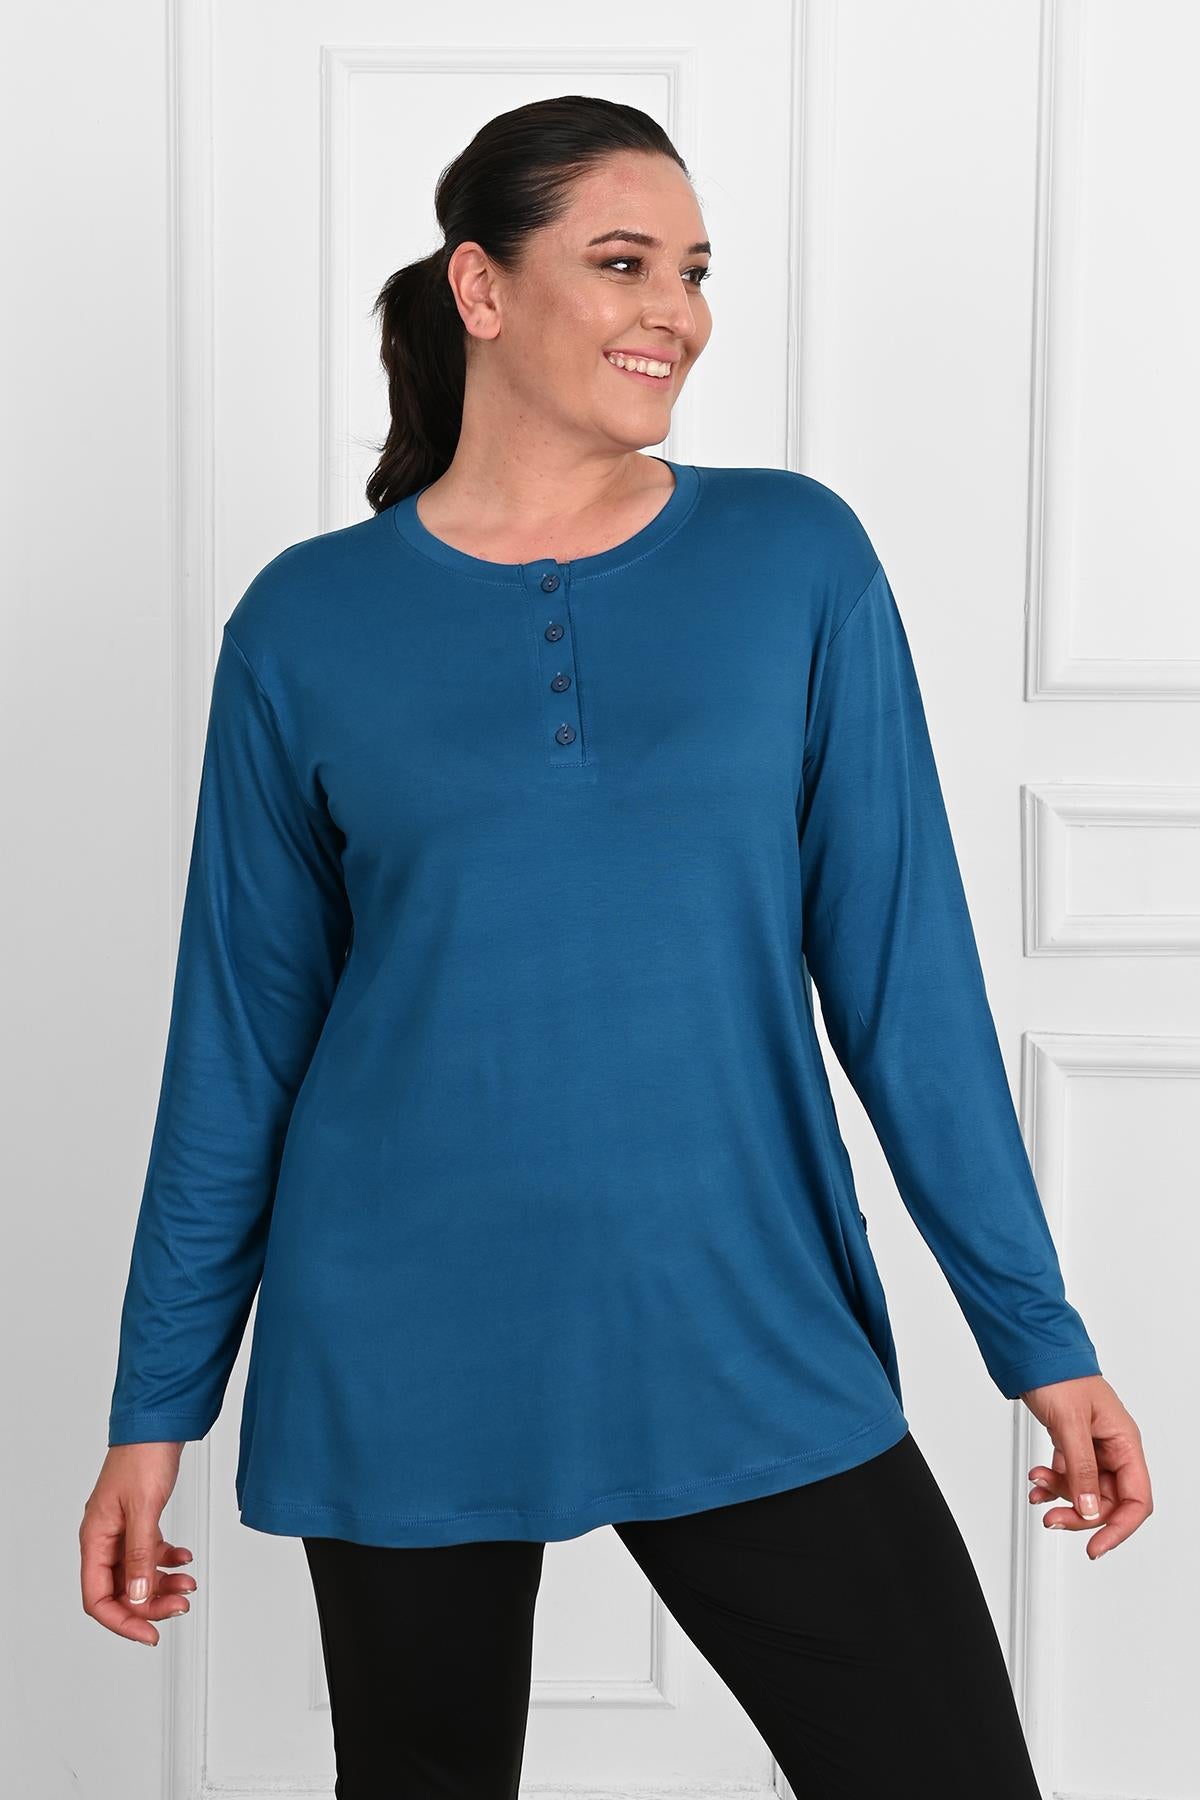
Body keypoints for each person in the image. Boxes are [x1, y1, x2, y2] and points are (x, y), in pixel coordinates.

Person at [80, 95, 1152, 1793]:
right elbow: (241, 1043)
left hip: (735, 1311)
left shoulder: (794, 557)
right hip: (401, 1335)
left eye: (696, 272)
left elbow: (908, 985)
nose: (678, 312)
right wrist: (157, 1410)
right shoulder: (305, 622)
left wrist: (1040, 1334)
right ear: (482, 289)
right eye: (626, 263)